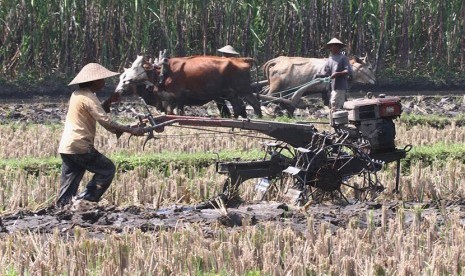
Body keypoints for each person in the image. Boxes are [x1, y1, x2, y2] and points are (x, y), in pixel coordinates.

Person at [56, 63, 145, 208]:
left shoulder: (78, 94)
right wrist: (131, 130)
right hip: (80, 146)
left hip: (67, 146)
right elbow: (105, 121)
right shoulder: (89, 97)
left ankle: (63, 207)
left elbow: (95, 112)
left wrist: (109, 102)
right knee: (107, 169)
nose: (104, 82)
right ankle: (84, 202)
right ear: (94, 81)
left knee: (69, 183)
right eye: (102, 79)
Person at [320, 38, 353, 111]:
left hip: (340, 86)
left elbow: (348, 71)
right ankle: (334, 120)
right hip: (333, 87)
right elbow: (326, 72)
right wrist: (320, 76)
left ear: (338, 47)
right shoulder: (330, 59)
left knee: (337, 105)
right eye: (330, 47)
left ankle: (339, 120)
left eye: (332, 46)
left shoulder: (343, 58)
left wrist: (337, 73)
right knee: (333, 104)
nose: (331, 48)